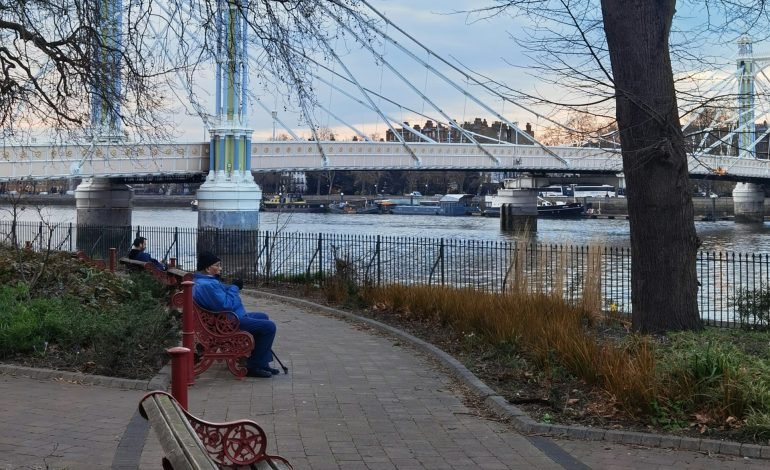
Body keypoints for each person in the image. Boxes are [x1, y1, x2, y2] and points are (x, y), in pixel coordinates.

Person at [193, 251, 278, 378]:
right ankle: (254, 366)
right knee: (269, 327)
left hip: (225, 320)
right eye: (217, 265)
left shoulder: (207, 282)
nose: (220, 268)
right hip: (227, 323)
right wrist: (234, 288)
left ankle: (262, 363)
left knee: (262, 317)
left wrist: (232, 286)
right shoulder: (208, 285)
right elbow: (226, 304)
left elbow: (221, 295)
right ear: (208, 268)